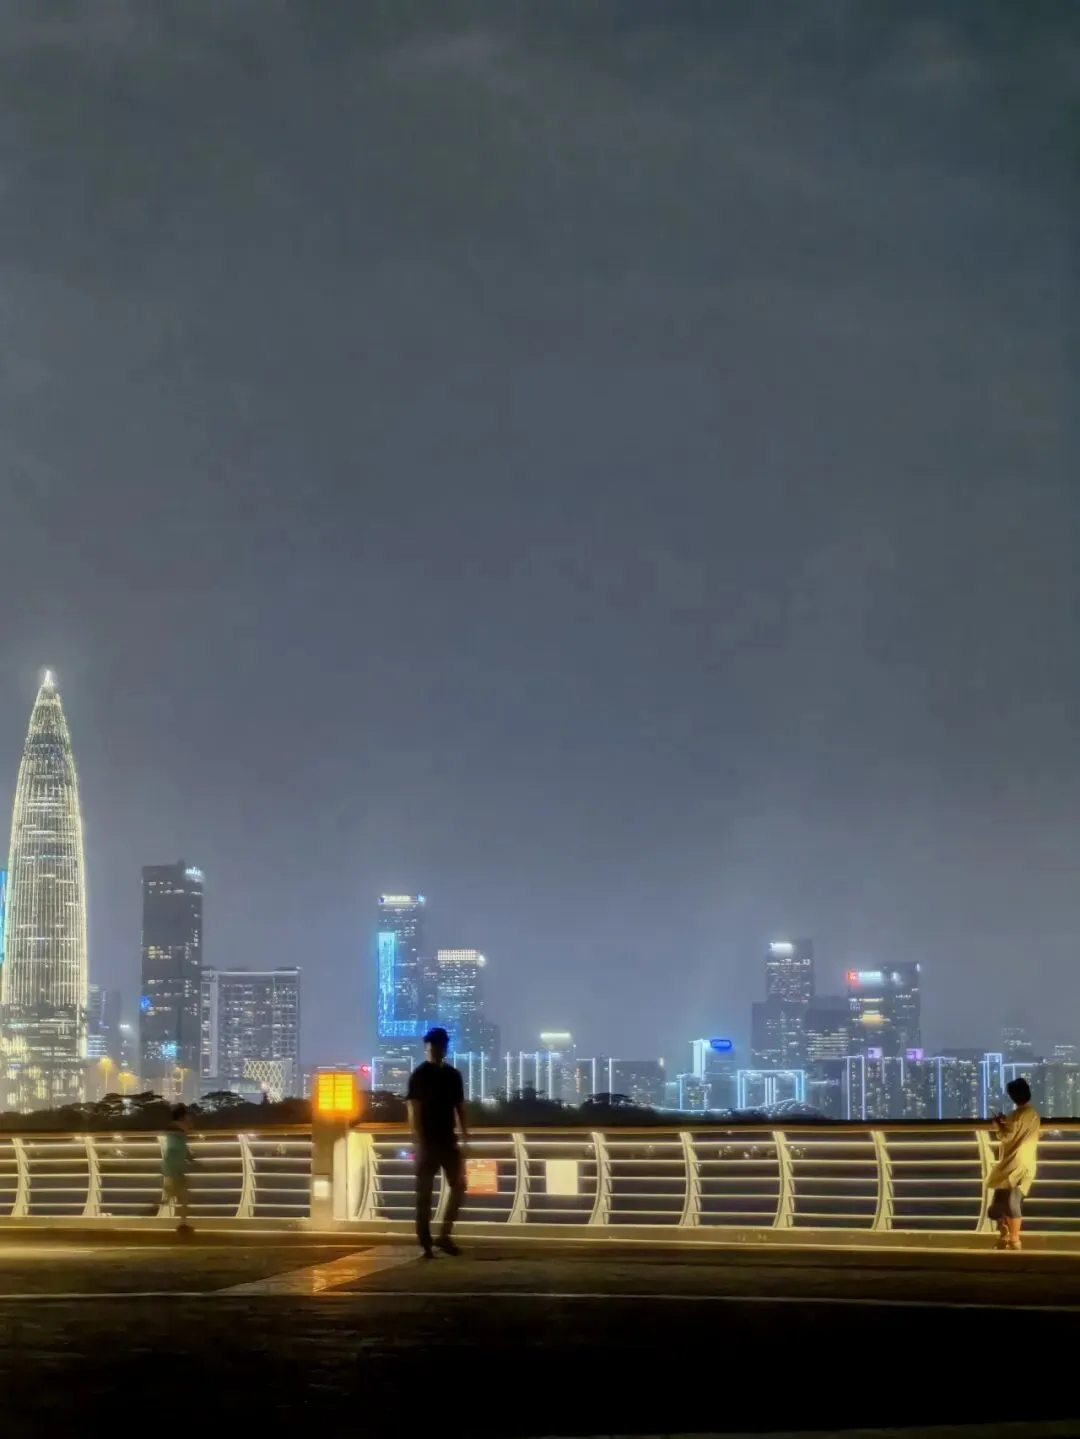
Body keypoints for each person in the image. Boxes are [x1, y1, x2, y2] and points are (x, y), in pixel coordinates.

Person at [407, 1027, 468, 1259]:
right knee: (424, 1194)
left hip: (447, 1140)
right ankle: (426, 1241)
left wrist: (465, 1135)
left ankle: (443, 1234)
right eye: (433, 1045)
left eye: (440, 1045)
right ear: (428, 1047)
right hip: (428, 1142)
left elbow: (459, 1107)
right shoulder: (419, 1074)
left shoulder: (453, 1075)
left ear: (444, 1047)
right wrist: (418, 1138)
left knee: (458, 1186)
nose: (436, 1049)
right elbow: (413, 1108)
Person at [987, 1077, 1040, 1251]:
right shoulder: (1033, 1113)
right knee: (1008, 1201)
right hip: (1026, 1162)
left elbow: (1006, 1136)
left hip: (1013, 1164)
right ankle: (1009, 1237)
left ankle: (1012, 1238)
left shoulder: (1015, 1115)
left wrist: (999, 1125)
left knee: (1008, 1203)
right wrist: (1006, 1123)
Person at [162, 1103, 195, 1237]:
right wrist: (189, 1156)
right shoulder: (177, 1132)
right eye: (187, 1116)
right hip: (175, 1170)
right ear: (182, 1117)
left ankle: (183, 1224)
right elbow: (178, 1148)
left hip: (172, 1169)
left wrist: (188, 1155)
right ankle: (182, 1225)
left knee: (175, 1197)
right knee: (179, 1197)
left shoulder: (174, 1132)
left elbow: (179, 1148)